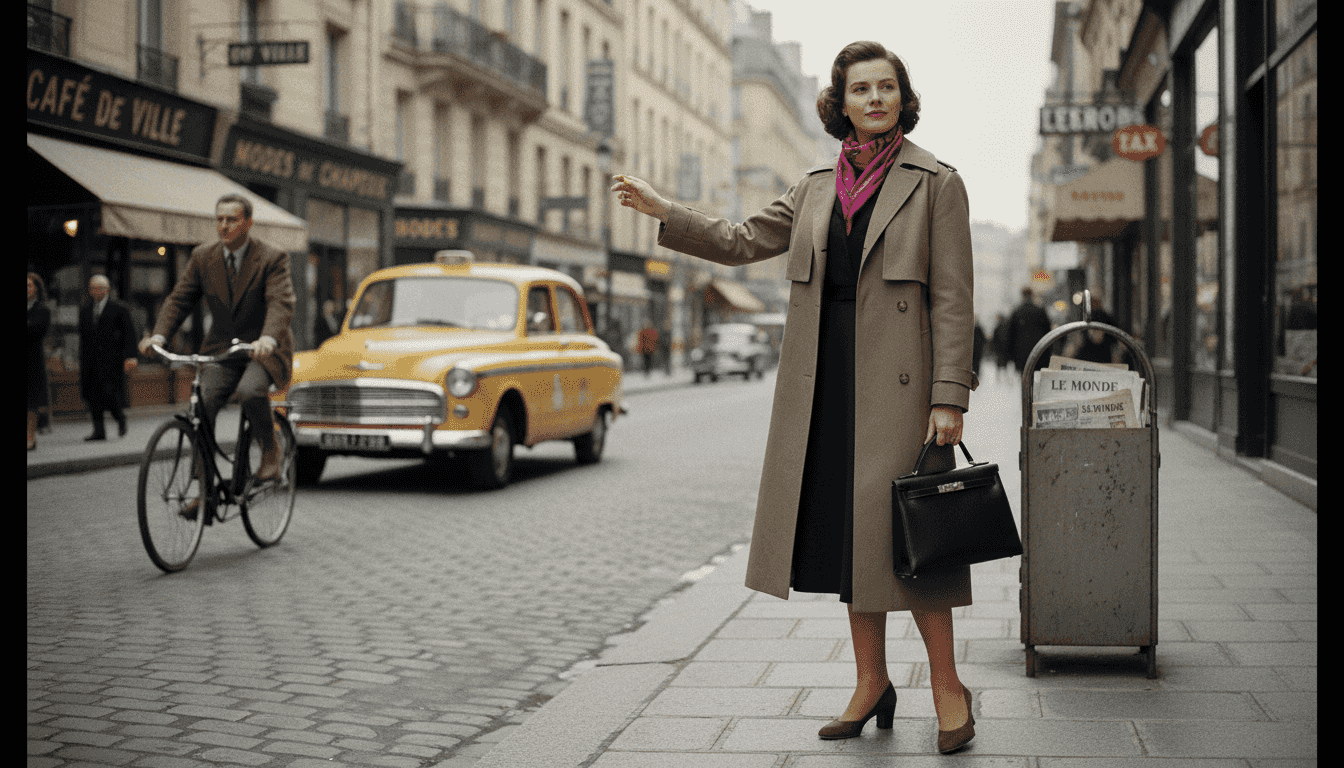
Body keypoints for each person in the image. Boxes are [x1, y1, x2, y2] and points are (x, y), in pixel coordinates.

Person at [611, 41, 977, 754]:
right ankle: (871, 681)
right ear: (840, 105)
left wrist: (949, 395)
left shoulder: (937, 182)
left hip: (902, 388)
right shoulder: (815, 187)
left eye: (887, 87)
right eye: (861, 89)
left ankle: (948, 687)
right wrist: (666, 210)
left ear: (904, 98)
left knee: (918, 545)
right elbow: (744, 239)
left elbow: (955, 301)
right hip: (827, 386)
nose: (875, 99)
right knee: (851, 542)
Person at [139, 194, 296, 484]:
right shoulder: (203, 256)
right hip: (222, 350)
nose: (224, 226)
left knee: (250, 391)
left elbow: (280, 303)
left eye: (232, 220)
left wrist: (268, 339)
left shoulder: (272, 258)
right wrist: (159, 336)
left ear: (247, 223)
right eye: (219, 219)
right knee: (201, 404)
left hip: (263, 349)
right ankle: (203, 490)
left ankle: (270, 451)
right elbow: (179, 300)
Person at [78, 275, 139, 441]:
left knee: (110, 394)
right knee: (92, 396)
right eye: (93, 288)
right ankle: (99, 431)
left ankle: (120, 418)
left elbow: (130, 334)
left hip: (112, 360)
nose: (96, 291)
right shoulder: (85, 310)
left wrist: (131, 357)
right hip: (90, 361)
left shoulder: (119, 308)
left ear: (107, 290)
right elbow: (83, 339)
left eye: (99, 288)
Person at [28, 273, 52, 451]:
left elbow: (36, 330)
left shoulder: (42, 309)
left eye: (28, 286)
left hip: (32, 362)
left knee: (31, 404)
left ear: (36, 289)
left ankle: (30, 438)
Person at [1005, 286, 1052, 375]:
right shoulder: (1040, 311)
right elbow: (1048, 332)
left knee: (1024, 378)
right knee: (1037, 379)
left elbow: (1010, 335)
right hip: (1040, 351)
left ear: (1022, 295)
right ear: (1032, 295)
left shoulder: (1016, 312)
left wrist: (1010, 355)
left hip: (1021, 353)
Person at [990, 312, 1011, 384]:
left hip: (1000, 349)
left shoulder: (997, 327)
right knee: (1004, 365)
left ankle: (999, 379)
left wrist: (993, 349)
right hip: (1005, 349)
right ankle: (1004, 379)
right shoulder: (1006, 327)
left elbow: (994, 340)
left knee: (1000, 365)